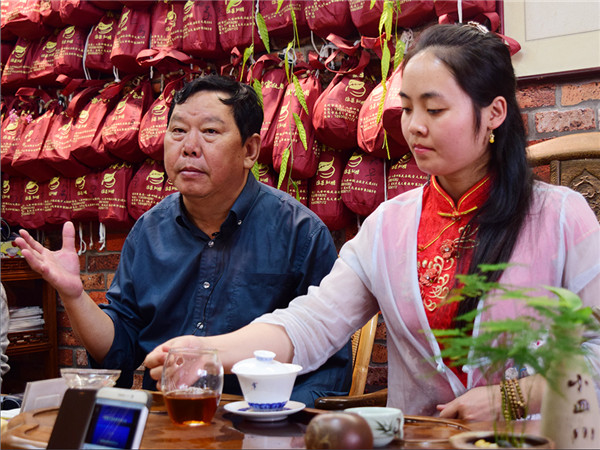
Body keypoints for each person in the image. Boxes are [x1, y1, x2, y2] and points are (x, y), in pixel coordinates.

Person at [145, 24, 600, 420]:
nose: (414, 126)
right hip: (424, 440)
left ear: (494, 113)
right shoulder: (388, 226)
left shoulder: (560, 217)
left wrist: (512, 397)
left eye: (434, 109)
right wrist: (211, 351)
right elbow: (311, 323)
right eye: (406, 108)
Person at [15, 75, 352, 406]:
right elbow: (119, 351)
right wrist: (73, 295)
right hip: (167, 422)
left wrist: (270, 424)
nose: (189, 146)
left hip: (261, 426)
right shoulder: (149, 232)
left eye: (209, 132)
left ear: (249, 150)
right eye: (178, 131)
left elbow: (328, 371)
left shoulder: (299, 232)